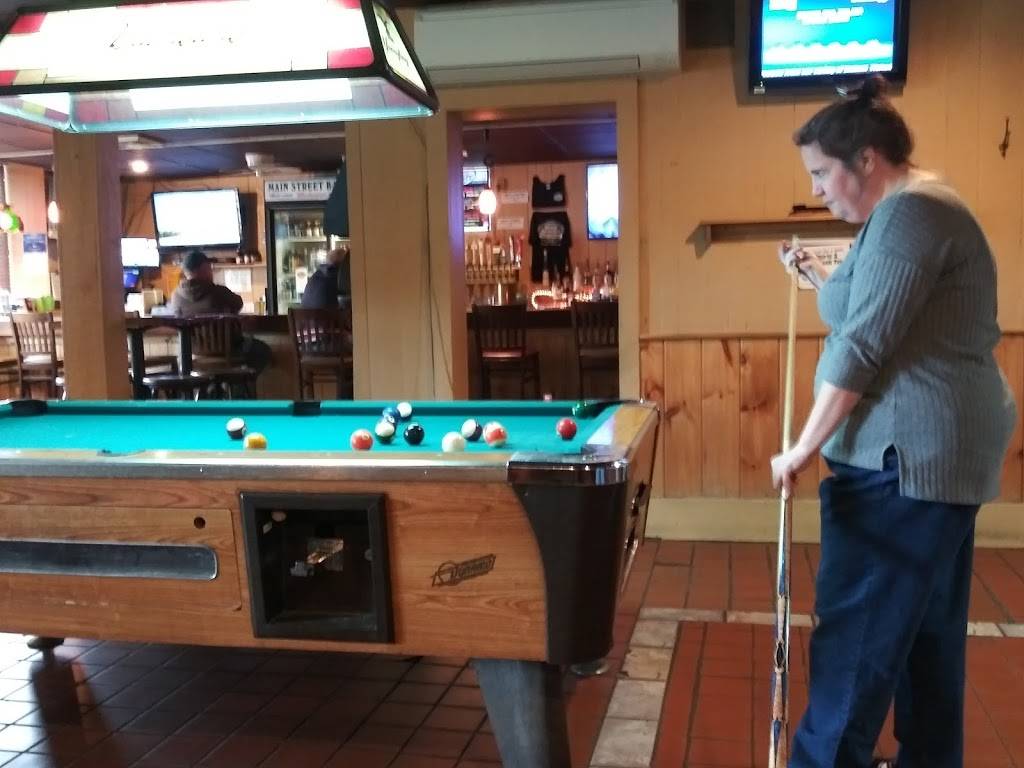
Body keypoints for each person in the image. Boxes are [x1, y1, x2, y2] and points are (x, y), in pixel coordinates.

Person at [771, 75, 1016, 768]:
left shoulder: (912, 216)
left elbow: (863, 344)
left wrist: (801, 448)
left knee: (855, 650)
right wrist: (814, 273)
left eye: (822, 173)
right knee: (922, 644)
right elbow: (868, 307)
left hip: (903, 468)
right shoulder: (901, 213)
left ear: (866, 160)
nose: (816, 189)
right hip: (928, 467)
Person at [169, 249, 271, 374]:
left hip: (192, 354)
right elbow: (238, 304)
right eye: (209, 268)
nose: (211, 271)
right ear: (204, 268)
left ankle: (217, 384)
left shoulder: (175, 296)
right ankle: (240, 383)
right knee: (262, 350)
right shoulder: (219, 292)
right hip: (228, 351)